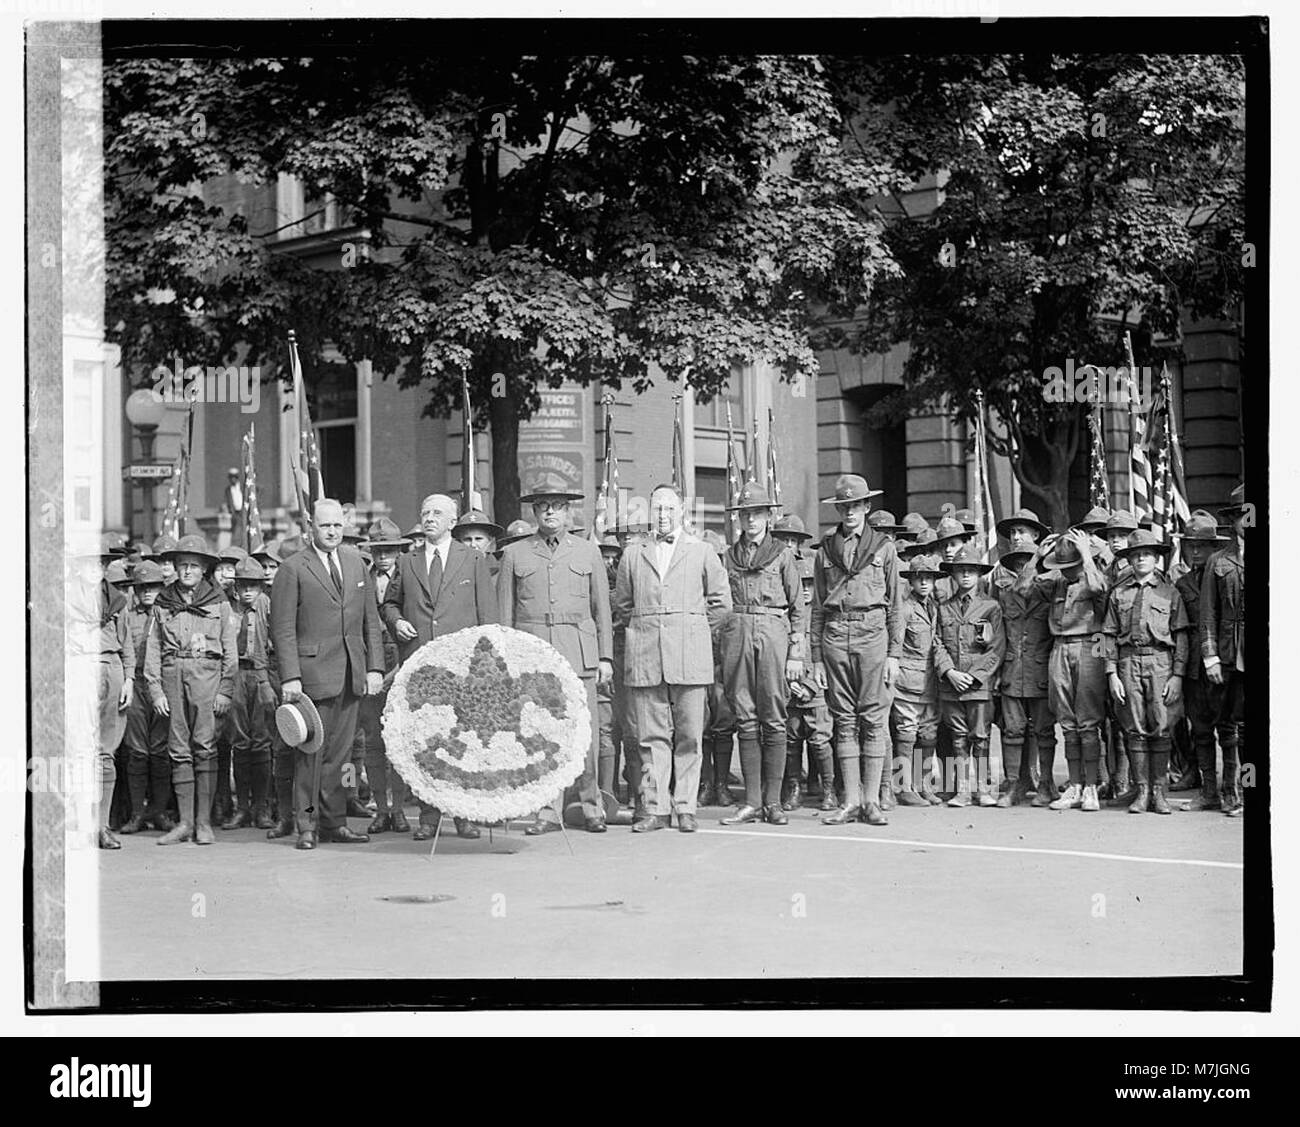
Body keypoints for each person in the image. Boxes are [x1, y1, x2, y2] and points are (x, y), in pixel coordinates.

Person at [380, 492, 499, 840]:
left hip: (462, 667)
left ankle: (464, 813)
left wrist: (486, 665)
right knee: (426, 740)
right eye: (425, 512)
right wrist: (397, 622)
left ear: (452, 521)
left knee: (464, 739)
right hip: (420, 665)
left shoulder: (472, 560)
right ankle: (429, 815)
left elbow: (488, 616)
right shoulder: (407, 561)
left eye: (437, 513)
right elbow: (389, 604)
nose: (429, 518)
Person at [614, 484, 732, 833]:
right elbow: (623, 605)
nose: (663, 516)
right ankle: (655, 808)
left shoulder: (702, 551)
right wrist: (650, 627)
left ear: (683, 511)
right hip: (647, 656)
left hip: (689, 657)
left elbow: (722, 604)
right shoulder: (634, 553)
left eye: (669, 509)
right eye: (657, 509)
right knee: (650, 738)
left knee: (690, 736)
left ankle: (685, 807)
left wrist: (691, 629)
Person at [269, 499, 385, 851]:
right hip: (312, 674)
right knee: (310, 754)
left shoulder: (356, 563)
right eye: (325, 526)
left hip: (351, 672)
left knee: (341, 754)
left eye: (337, 525)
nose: (333, 532)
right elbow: (283, 629)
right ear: (310, 525)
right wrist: (291, 677)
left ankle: (335, 822)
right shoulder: (293, 568)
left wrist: (375, 667)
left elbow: (371, 623)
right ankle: (306, 825)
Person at [498, 488, 613, 835]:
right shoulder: (514, 554)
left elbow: (602, 610)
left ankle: (592, 807)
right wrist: (508, 659)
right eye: (543, 507)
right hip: (534, 656)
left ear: (568, 512)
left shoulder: (588, 551)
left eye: (558, 507)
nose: (550, 513)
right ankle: (548, 811)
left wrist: (605, 656)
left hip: (579, 654)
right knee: (543, 735)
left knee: (586, 734)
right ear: (535, 512)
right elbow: (505, 612)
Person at [809, 473, 905, 827]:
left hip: (872, 635)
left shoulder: (883, 548)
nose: (850, 510)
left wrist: (895, 655)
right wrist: (816, 657)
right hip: (836, 634)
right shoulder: (827, 550)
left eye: (856, 504)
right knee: (843, 718)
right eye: (844, 505)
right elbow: (818, 606)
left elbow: (896, 606)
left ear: (867, 507)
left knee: (873, 717)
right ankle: (850, 800)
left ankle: (871, 801)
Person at [715, 485, 805, 826]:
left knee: (774, 714)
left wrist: (797, 652)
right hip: (737, 631)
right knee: (744, 714)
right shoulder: (728, 556)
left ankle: (773, 802)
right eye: (745, 513)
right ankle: (752, 801)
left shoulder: (781, 554)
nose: (751, 519)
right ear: (739, 518)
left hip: (772, 632)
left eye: (757, 513)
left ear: (769, 516)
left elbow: (799, 607)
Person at [144, 534, 238, 845]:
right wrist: (155, 689)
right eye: (182, 565)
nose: (186, 571)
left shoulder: (218, 603)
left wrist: (225, 689)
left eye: (193, 566)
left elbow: (229, 648)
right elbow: (154, 647)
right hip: (173, 676)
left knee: (206, 746)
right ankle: (184, 822)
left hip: (207, 677)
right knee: (178, 748)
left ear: (204, 570)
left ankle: (203, 823)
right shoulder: (163, 601)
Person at [1018, 530, 1108, 812]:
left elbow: (1099, 589)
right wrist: (1036, 557)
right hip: (1059, 647)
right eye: (1063, 566)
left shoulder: (1094, 575)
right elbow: (1022, 589)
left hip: (1091, 645)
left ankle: (1091, 786)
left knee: (1088, 720)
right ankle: (1075, 785)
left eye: (1072, 566)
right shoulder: (1055, 583)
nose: (1067, 571)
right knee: (1067, 721)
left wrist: (1086, 555)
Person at [1102, 530, 1190, 815]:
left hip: (1161, 662)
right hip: (1128, 662)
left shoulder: (1169, 592)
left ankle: (1159, 793)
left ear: (1156, 559)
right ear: (1129, 559)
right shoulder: (1118, 593)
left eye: (1147, 554)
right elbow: (1106, 635)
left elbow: (1182, 636)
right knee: (1134, 726)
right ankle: (1141, 792)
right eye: (1136, 554)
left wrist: (1177, 675)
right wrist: (1111, 673)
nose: (1141, 558)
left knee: (1162, 725)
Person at [67, 536, 136, 849]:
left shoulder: (118, 599)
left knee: (105, 752)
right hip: (79, 667)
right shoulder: (64, 598)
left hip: (111, 668)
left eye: (103, 563)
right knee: (80, 751)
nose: (97, 568)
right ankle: (81, 825)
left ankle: (102, 826)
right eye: (91, 562)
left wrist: (130, 679)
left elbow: (128, 644)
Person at [991, 508, 1056, 806]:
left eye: (1022, 532)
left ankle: (1047, 784)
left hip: (1041, 668)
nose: (1016, 538)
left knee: (1044, 731)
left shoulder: (1051, 579)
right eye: (1013, 533)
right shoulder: (1000, 584)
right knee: (1013, 730)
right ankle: (1015, 784)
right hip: (1012, 669)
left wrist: (1037, 562)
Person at [935, 545, 1005, 807]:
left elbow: (997, 647)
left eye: (971, 571)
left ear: (979, 574)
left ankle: (984, 788)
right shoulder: (944, 608)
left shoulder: (991, 607)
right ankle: (962, 790)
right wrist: (949, 671)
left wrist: (975, 677)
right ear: (952, 574)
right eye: (960, 571)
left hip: (979, 686)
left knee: (981, 736)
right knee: (958, 736)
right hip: (951, 685)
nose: (965, 575)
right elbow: (936, 643)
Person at [1173, 511, 1230, 808]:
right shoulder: (1181, 583)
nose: (1194, 551)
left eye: (1201, 546)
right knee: (1202, 730)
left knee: (1230, 730)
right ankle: (1209, 791)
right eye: (1189, 546)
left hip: (1223, 663)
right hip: (1194, 668)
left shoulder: (1225, 575)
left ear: (1213, 548)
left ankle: (1234, 790)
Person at [359, 517, 410, 834]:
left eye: (389, 550)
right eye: (378, 551)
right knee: (372, 744)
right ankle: (379, 807)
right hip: (369, 666)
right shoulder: (360, 579)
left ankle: (400, 808)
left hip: (402, 660)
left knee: (400, 742)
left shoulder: (409, 578)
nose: (383, 557)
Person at [118, 560, 175, 835]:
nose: (147, 592)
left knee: (161, 751)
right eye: (142, 588)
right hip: (137, 684)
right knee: (138, 752)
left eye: (152, 586)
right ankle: (137, 813)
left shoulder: (167, 614)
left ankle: (159, 810)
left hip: (164, 686)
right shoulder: (128, 616)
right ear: (135, 591)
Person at [221, 557, 278, 830]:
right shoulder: (226, 608)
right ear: (235, 586)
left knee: (262, 740)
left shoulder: (267, 605)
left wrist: (268, 680)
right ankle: (242, 807)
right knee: (239, 740)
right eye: (243, 585)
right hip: (235, 674)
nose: (247, 591)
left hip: (261, 674)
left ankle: (262, 807)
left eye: (253, 586)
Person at [1201, 484, 1247, 817]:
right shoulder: (1219, 561)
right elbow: (1208, 613)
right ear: (1233, 520)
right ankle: (1231, 792)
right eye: (1242, 514)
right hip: (1229, 652)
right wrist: (1210, 655)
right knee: (1228, 727)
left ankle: (1252, 788)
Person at [892, 552, 946, 806]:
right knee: (907, 731)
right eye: (918, 578)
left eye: (929, 578)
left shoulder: (933, 606)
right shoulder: (905, 608)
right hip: (907, 681)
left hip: (930, 681)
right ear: (910, 581)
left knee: (928, 733)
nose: (924, 582)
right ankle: (904, 787)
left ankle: (923, 785)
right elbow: (895, 644)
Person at [783, 555, 837, 811]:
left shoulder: (823, 617)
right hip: (790, 693)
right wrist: (788, 684)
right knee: (791, 742)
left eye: (810, 583)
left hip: (817, 693)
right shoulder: (785, 618)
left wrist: (810, 686)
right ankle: (794, 789)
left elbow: (829, 656)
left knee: (820, 741)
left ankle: (828, 789)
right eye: (800, 583)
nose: (805, 589)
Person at [697, 529, 736, 808]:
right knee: (699, 725)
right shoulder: (690, 583)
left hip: (724, 659)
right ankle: (705, 783)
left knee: (723, 722)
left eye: (720, 555)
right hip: (696, 657)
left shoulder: (730, 580)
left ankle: (722, 784)